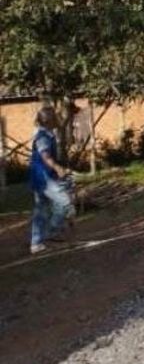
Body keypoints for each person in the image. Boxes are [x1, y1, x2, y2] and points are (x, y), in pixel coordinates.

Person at [29, 106, 74, 255]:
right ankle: (51, 233)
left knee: (41, 209)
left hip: (40, 177)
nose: (57, 118)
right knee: (64, 202)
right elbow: (45, 156)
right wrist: (58, 168)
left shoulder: (48, 135)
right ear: (49, 120)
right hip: (43, 178)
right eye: (55, 116)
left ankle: (36, 243)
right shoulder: (43, 137)